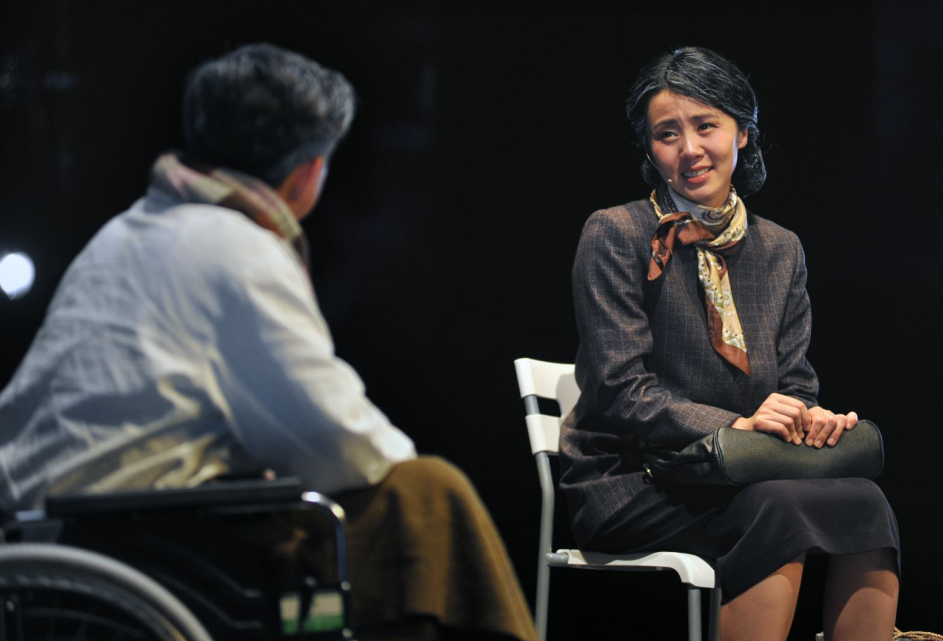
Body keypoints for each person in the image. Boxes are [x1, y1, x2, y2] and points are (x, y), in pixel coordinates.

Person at [0, 43, 537, 641]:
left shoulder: (117, 237)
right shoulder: (237, 248)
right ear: (309, 171)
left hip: (49, 546)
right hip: (156, 547)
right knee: (426, 495)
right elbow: (336, 439)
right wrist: (397, 456)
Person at [558, 47, 900, 641]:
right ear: (650, 149)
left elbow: (795, 381)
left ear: (743, 132)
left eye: (706, 126)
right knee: (780, 507)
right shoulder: (615, 232)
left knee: (865, 501)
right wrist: (737, 426)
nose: (689, 149)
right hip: (634, 479)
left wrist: (809, 419)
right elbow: (620, 389)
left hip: (741, 474)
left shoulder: (780, 248)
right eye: (667, 134)